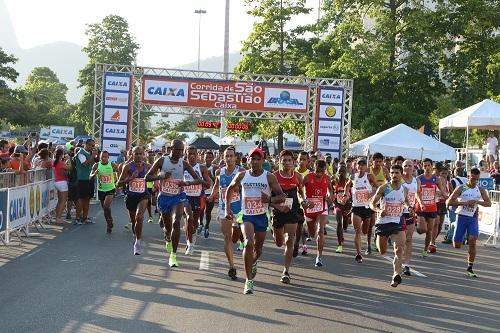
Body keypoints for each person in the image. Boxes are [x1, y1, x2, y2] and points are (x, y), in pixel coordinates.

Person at [225, 147, 285, 294]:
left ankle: (253, 261)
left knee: (257, 250)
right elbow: (230, 189)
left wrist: (269, 199)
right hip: (247, 216)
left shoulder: (269, 176)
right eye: (253, 158)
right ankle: (248, 281)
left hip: (262, 217)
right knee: (248, 243)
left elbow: (282, 197)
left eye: (258, 159)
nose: (255, 161)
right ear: (248, 160)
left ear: (263, 161)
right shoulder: (242, 175)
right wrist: (227, 208)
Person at [145, 140, 201, 267]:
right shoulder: (162, 161)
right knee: (168, 228)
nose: (180, 152)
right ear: (171, 149)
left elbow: (198, 179)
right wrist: (161, 176)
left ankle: (173, 256)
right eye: (178, 149)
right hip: (164, 197)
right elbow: (147, 177)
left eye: (182, 150)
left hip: (178, 197)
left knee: (176, 222)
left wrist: (187, 183)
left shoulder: (184, 163)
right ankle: (167, 237)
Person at [446, 168, 491, 278]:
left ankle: (470, 267)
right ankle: (454, 225)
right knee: (457, 245)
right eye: (472, 179)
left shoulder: (480, 190)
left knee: (472, 240)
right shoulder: (461, 188)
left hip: (472, 219)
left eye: (476, 179)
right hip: (461, 217)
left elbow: (488, 203)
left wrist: (476, 202)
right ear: (468, 177)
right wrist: (465, 203)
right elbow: (449, 202)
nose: (474, 181)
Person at [369, 164, 408, 287]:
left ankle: (396, 275)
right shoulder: (384, 188)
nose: (394, 175)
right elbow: (372, 203)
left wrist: (409, 207)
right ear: (389, 174)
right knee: (382, 251)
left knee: (399, 249)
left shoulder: (405, 189)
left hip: (397, 221)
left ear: (401, 175)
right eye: (392, 173)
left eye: (397, 173)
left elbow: (405, 202)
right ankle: (377, 239)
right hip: (383, 223)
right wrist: (379, 210)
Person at [208, 146, 243, 279]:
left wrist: (240, 190)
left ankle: (241, 238)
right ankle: (232, 266)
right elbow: (217, 185)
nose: (228, 158)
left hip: (239, 210)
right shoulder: (219, 172)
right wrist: (212, 195)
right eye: (226, 156)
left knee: (235, 237)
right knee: (227, 237)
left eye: (231, 156)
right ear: (223, 158)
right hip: (224, 209)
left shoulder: (241, 171)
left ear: (235, 158)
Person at [271, 150, 305, 283]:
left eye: (289, 160)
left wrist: (304, 201)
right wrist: (277, 205)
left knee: (290, 239)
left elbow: (301, 193)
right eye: (284, 160)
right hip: (278, 212)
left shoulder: (297, 177)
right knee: (279, 243)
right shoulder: (274, 176)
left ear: (293, 162)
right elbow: (268, 198)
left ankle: (286, 271)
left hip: (292, 211)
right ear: (279, 162)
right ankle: (274, 230)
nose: (287, 163)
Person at [117, 146, 151, 255]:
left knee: (139, 217)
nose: (139, 156)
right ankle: (135, 234)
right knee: (133, 221)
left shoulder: (148, 166)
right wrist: (130, 178)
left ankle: (138, 241)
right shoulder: (127, 167)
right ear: (132, 155)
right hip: (131, 196)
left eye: (141, 153)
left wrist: (157, 182)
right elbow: (119, 183)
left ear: (144, 155)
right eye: (136, 154)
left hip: (143, 196)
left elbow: (154, 177)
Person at [345, 159, 377, 263]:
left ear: (366, 166)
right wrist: (346, 194)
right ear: (356, 166)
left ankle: (365, 245)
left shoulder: (369, 176)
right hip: (356, 207)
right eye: (359, 165)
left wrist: (372, 194)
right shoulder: (353, 177)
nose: (361, 167)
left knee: (365, 231)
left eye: (363, 165)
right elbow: (347, 185)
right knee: (358, 231)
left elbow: (377, 186)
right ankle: (359, 253)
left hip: (367, 208)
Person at [302, 159, 334, 267]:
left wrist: (330, 197)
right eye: (317, 171)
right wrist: (304, 200)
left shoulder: (327, 178)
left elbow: (330, 190)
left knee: (320, 230)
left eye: (322, 171)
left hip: (322, 206)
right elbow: (300, 190)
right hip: (310, 207)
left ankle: (319, 257)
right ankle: (306, 229)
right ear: (314, 168)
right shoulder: (307, 177)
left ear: (325, 170)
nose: (319, 173)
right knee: (312, 233)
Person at [415, 158, 448, 257]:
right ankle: (419, 227)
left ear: (431, 166)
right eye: (425, 166)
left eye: (428, 165)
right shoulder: (419, 178)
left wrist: (447, 197)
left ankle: (425, 250)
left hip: (432, 208)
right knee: (423, 229)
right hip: (421, 208)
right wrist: (421, 203)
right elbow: (417, 192)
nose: (427, 168)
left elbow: (442, 191)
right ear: (422, 166)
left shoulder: (436, 179)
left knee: (429, 230)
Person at [183, 146, 212, 255]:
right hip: (185, 197)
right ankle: (189, 243)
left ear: (197, 154)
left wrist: (196, 182)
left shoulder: (201, 167)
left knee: (194, 223)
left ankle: (192, 235)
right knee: (188, 218)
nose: (191, 156)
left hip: (198, 197)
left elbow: (208, 183)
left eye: (194, 154)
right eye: (189, 153)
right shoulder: (182, 166)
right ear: (186, 153)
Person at [367, 152, 389, 254]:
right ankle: (369, 244)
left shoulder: (384, 170)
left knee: (377, 221)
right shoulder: (368, 170)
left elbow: (390, 182)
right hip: (369, 198)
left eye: (380, 161)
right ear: (372, 161)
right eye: (376, 161)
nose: (378, 163)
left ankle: (376, 239)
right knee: (370, 222)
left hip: (381, 198)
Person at [91, 151, 117, 234]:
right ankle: (109, 223)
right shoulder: (96, 165)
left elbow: (120, 171)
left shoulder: (112, 165)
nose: (104, 158)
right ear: (100, 157)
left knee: (106, 206)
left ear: (108, 158)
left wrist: (118, 181)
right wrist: (94, 174)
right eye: (102, 157)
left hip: (110, 189)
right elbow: (90, 177)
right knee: (105, 209)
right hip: (101, 190)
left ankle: (110, 220)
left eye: (106, 157)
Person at [74, 139, 98, 224]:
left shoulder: (89, 153)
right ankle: (77, 218)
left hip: (89, 179)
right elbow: (85, 163)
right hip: (82, 179)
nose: (92, 147)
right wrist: (93, 155)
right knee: (81, 199)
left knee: (87, 199)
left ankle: (85, 217)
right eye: (91, 145)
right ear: (86, 145)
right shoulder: (81, 152)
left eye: (93, 146)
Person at [401, 160, 417, 275]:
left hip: (410, 212)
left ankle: (406, 264)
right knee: (400, 240)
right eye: (405, 166)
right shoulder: (398, 179)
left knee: (409, 238)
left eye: (409, 166)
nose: (407, 167)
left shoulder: (417, 181)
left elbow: (418, 194)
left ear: (413, 168)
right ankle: (398, 258)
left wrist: (420, 204)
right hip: (397, 213)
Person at [294, 151, 311, 256]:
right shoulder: (293, 172)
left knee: (302, 227)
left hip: (305, 204)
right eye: (300, 159)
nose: (302, 161)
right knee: (296, 226)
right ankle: (295, 244)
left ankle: (302, 245)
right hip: (294, 203)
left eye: (304, 159)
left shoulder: (310, 174)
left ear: (308, 161)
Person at [332, 164, 352, 254]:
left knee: (344, 225)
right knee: (339, 223)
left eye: (343, 171)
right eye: (339, 171)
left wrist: (347, 199)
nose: (341, 173)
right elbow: (331, 193)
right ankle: (339, 245)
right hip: (338, 205)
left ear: (346, 173)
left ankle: (342, 235)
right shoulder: (334, 182)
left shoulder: (349, 182)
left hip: (347, 206)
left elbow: (353, 195)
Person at [199, 151, 217, 238]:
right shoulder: (201, 167)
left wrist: (211, 176)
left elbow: (217, 182)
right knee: (201, 210)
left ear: (213, 158)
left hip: (211, 192)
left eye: (210, 157)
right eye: (206, 157)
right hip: (201, 192)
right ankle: (201, 223)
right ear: (204, 158)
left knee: (208, 211)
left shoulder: (214, 168)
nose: (208, 159)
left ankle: (207, 226)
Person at [52, 148, 71, 225]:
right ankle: (58, 218)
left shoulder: (54, 162)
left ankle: (57, 216)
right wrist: (69, 160)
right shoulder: (60, 162)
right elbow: (70, 168)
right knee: (63, 201)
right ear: (61, 155)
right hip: (62, 182)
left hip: (56, 182)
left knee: (60, 201)